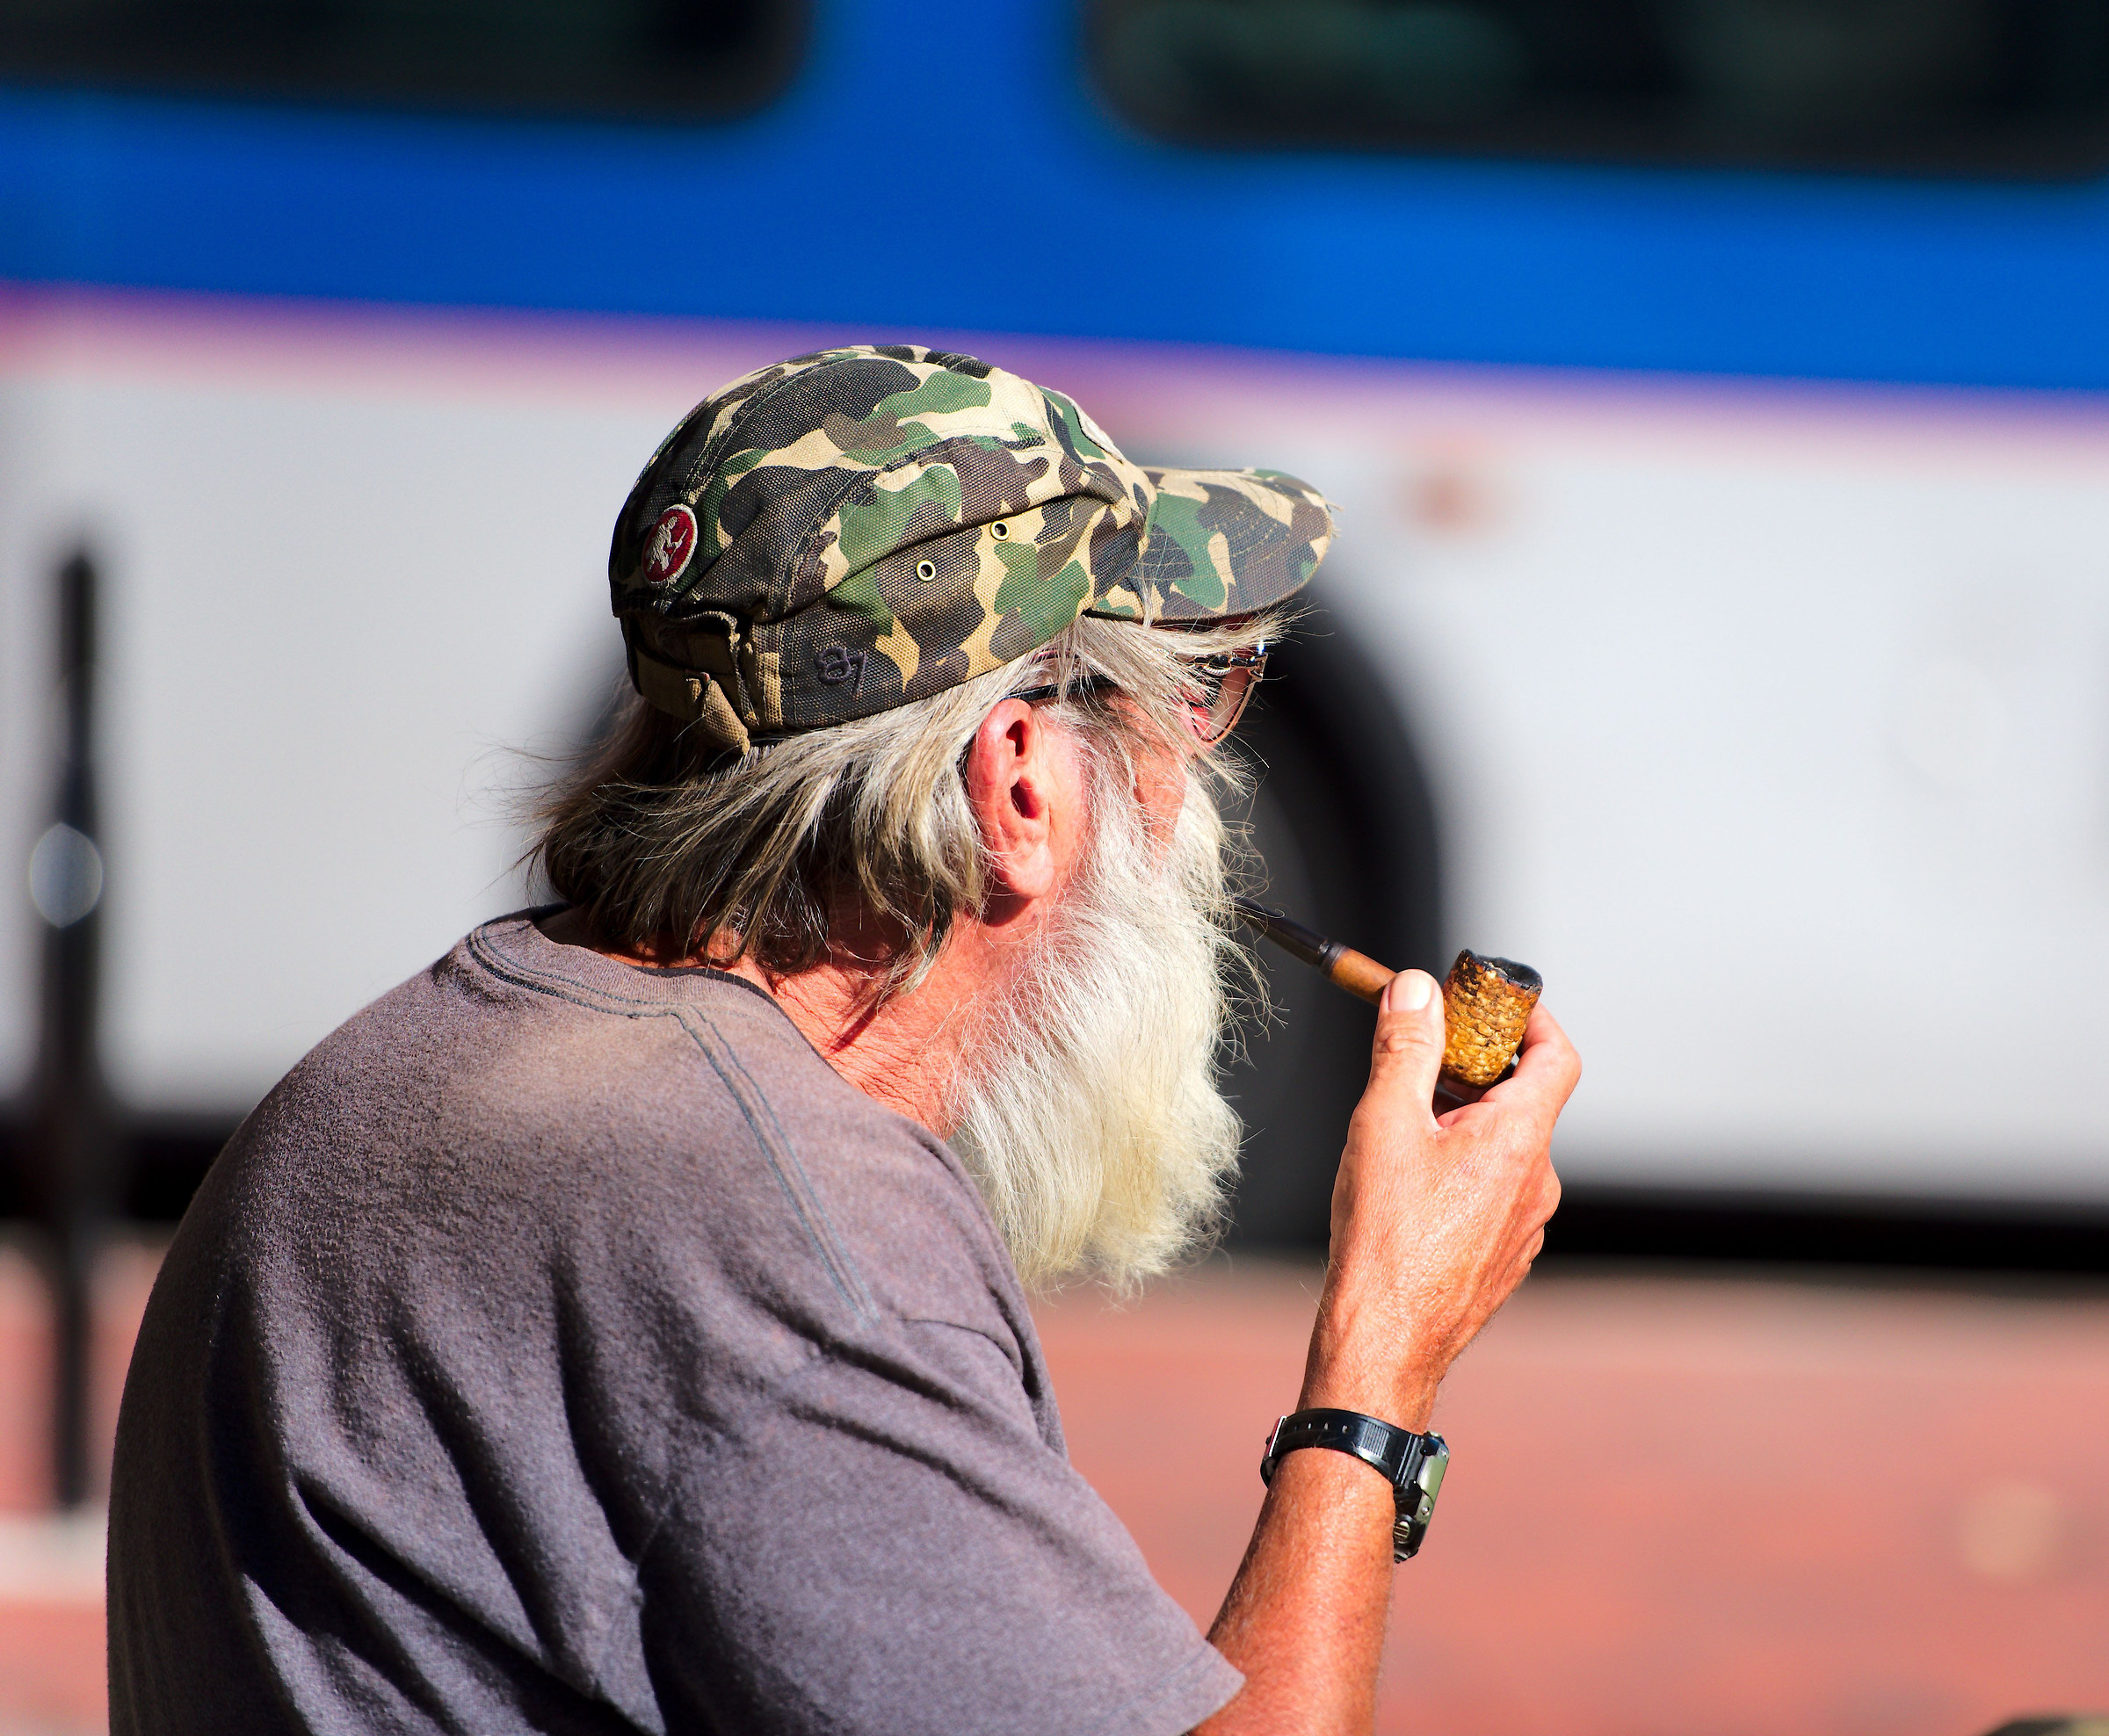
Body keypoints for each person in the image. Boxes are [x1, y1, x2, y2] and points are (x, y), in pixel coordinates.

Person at [106, 344, 1578, 1734]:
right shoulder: (787, 1248)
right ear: (1019, 786)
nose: (1194, 791)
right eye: (1185, 705)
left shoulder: (398, 1065)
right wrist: (1380, 1357)